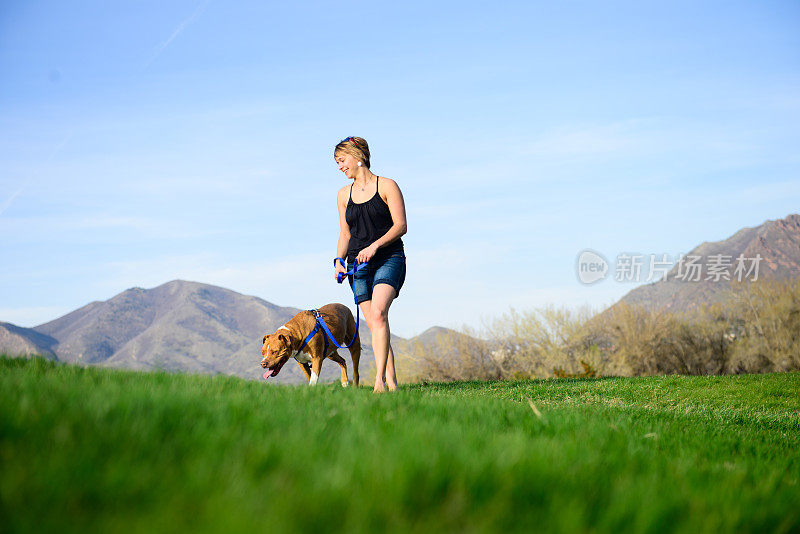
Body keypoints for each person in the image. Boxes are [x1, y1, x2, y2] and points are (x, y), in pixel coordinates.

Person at [333, 136, 407, 393]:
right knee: (377, 323)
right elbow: (345, 234)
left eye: (342, 160)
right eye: (337, 163)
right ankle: (393, 384)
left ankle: (378, 382)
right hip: (357, 267)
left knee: (378, 314)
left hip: (388, 258)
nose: (340, 167)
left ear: (357, 156)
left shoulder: (387, 185)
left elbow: (401, 226)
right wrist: (339, 261)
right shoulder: (343, 195)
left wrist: (375, 246)